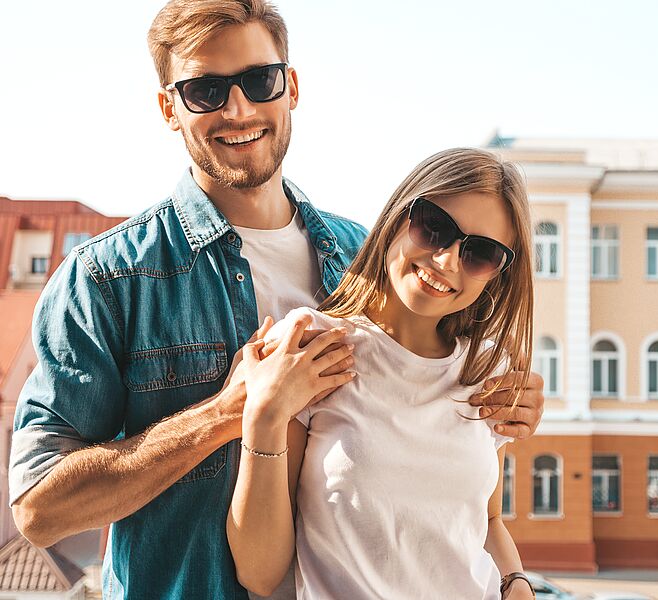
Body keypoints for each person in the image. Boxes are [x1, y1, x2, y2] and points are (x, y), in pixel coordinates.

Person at [7, 1, 545, 598]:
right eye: (205, 90)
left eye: (259, 81)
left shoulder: (368, 253)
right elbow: (39, 508)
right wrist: (225, 414)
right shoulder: (109, 277)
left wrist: (515, 399)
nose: (238, 109)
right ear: (169, 107)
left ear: (290, 87)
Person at [228, 148, 538, 599]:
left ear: (497, 275)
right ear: (398, 217)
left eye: (481, 254)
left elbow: (486, 522)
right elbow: (259, 573)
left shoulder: (489, 370)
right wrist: (263, 417)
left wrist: (517, 581)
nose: (448, 261)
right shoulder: (313, 346)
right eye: (434, 227)